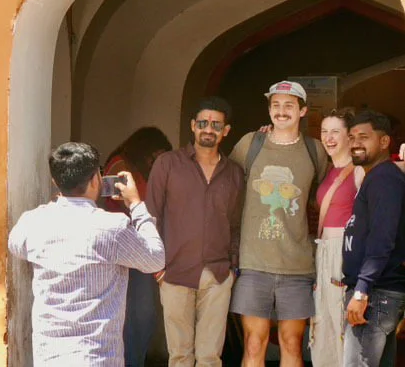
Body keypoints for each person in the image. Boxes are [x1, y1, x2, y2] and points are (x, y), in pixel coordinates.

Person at [8, 142, 165, 366]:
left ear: (55, 181)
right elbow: (155, 259)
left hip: (49, 356)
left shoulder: (33, 222)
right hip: (96, 356)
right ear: (96, 179)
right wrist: (136, 204)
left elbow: (16, 246)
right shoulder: (113, 228)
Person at [229, 80, 328, 366]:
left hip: (297, 265)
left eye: (288, 105)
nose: (281, 111)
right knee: (254, 343)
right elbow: (228, 188)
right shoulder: (251, 143)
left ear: (302, 110)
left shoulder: (315, 151)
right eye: (275, 105)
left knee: (291, 343)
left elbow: (325, 196)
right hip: (253, 263)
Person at [146, 96, 245, 367]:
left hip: (218, 274)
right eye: (203, 122)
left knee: (210, 357)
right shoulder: (167, 164)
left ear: (225, 131)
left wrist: (233, 268)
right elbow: (150, 216)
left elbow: (236, 224)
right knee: (179, 355)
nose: (208, 129)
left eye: (216, 124)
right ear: (192, 126)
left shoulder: (234, 173)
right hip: (174, 271)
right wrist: (157, 267)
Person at [102, 127, 172, 367]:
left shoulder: (149, 171)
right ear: (143, 149)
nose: (157, 160)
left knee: (143, 314)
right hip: (123, 249)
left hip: (142, 250)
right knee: (137, 314)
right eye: (154, 155)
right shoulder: (120, 166)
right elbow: (111, 205)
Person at [342, 110, 405, 367]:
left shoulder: (384, 179)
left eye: (364, 136)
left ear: (384, 142)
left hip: (375, 294)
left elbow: (382, 238)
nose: (355, 142)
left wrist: (361, 289)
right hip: (375, 293)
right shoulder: (376, 178)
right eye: (352, 136)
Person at [310, 108, 364, 367]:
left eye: (335, 132)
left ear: (349, 136)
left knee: (343, 325)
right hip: (324, 251)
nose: (328, 138)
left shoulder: (359, 171)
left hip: (344, 251)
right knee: (324, 324)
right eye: (324, 131)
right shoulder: (328, 169)